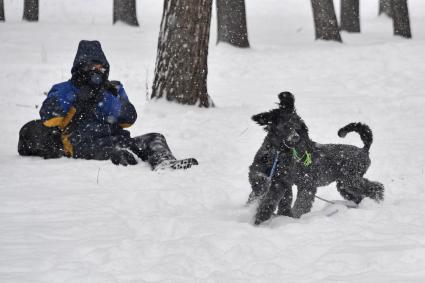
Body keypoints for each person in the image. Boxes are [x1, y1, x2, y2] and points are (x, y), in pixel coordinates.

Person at [18, 40, 198, 170]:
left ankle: (165, 163)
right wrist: (77, 100)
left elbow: (129, 119)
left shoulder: (112, 89)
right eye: (93, 68)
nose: (98, 72)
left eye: (101, 68)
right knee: (119, 154)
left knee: (154, 138)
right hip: (81, 143)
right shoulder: (64, 89)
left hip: (115, 137)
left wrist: (112, 100)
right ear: (81, 68)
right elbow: (49, 118)